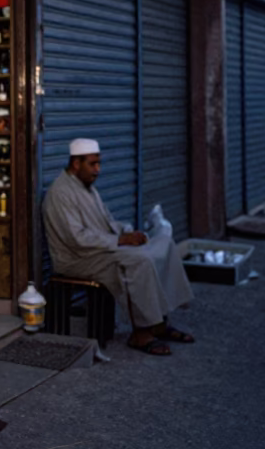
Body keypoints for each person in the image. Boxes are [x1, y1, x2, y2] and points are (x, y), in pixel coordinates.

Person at [42, 138, 195, 356]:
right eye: (92, 164)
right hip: (77, 258)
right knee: (137, 262)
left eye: (98, 164)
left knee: (163, 244)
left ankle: (159, 321)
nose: (98, 170)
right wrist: (120, 241)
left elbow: (106, 222)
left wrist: (126, 232)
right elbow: (77, 238)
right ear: (76, 164)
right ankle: (141, 332)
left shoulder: (87, 188)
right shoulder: (60, 193)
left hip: (99, 250)